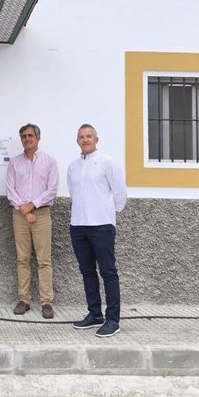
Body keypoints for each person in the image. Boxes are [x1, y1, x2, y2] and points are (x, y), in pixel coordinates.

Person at [68, 124, 127, 338]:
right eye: (81, 137)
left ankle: (113, 319)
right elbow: (74, 191)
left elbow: (120, 192)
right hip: (78, 226)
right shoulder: (73, 166)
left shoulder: (107, 162)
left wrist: (109, 214)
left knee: (108, 272)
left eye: (89, 136)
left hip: (102, 225)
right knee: (87, 272)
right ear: (77, 141)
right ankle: (95, 314)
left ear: (96, 139)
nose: (85, 140)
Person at [6, 123, 59, 319]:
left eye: (30, 136)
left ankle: (46, 302)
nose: (27, 139)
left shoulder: (49, 162)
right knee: (22, 258)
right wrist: (24, 208)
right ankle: (24, 300)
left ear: (38, 138)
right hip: (19, 215)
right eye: (23, 136)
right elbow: (10, 189)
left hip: (42, 214)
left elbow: (51, 189)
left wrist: (33, 205)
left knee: (44, 259)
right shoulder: (14, 163)